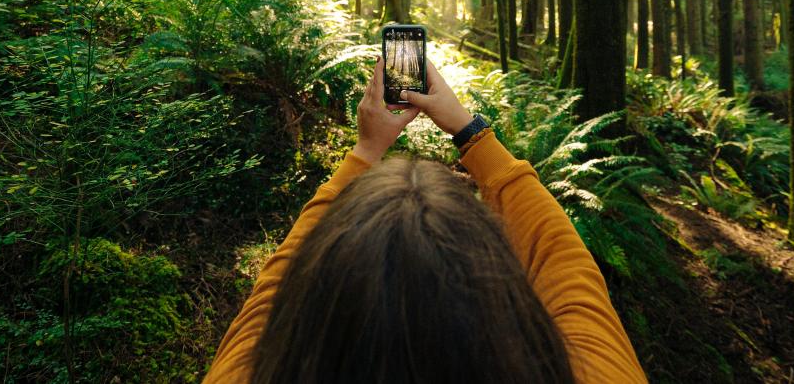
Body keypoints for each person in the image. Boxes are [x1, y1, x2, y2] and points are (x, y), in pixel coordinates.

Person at [203, 57, 647, 383]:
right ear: (506, 303)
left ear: (310, 303)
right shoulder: (591, 372)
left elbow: (273, 288)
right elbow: (564, 264)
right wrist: (468, 129)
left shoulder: (253, 369)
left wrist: (365, 152)